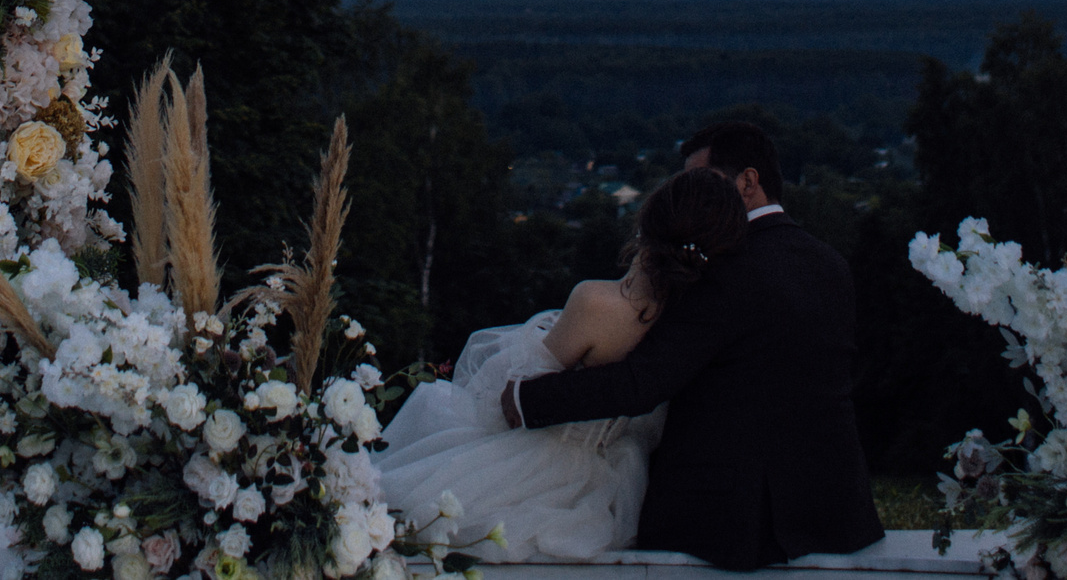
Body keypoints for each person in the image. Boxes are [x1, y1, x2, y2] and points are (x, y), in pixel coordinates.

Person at [504, 123, 886, 571]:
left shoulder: (724, 270)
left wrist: (526, 400)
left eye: (704, 182)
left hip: (736, 523)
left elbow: (641, 383)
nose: (695, 198)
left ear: (748, 182)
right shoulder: (830, 262)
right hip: (836, 511)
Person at [374, 166, 750, 562]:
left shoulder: (597, 303)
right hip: (613, 480)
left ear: (649, 224)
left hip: (539, 462)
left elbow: (508, 402)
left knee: (416, 476)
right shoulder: (693, 326)